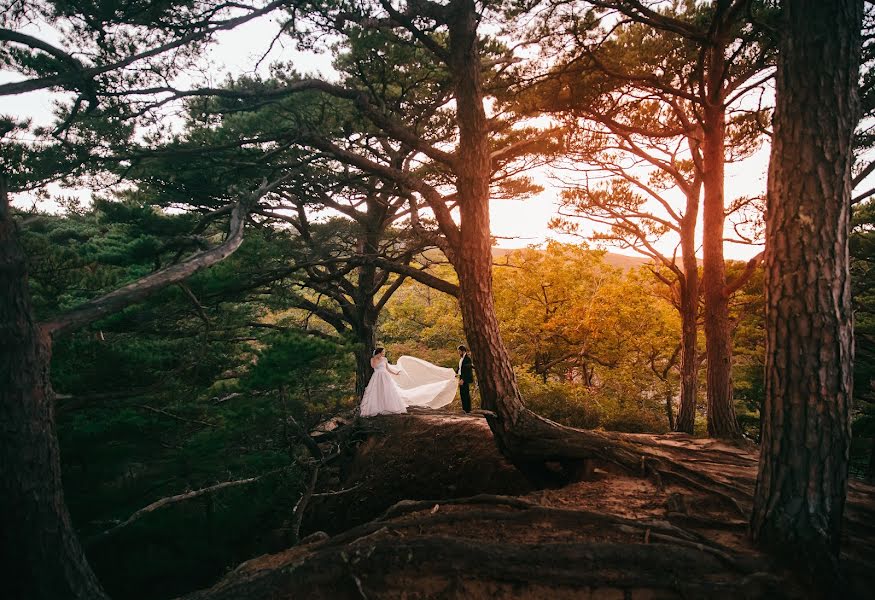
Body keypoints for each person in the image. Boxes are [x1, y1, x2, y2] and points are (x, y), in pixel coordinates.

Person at [360, 348, 458, 417]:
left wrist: (396, 372)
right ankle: (377, 408)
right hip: (377, 376)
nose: (383, 354)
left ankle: (388, 407)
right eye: (382, 352)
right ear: (379, 352)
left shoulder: (384, 359)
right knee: (377, 392)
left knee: (388, 391)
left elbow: (388, 369)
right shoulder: (373, 359)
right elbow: (373, 367)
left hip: (385, 376)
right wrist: (376, 358)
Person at [457, 345, 475, 413]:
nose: (458, 352)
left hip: (465, 378)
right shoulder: (461, 359)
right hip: (461, 376)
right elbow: (459, 368)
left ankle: (468, 409)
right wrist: (456, 374)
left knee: (466, 393)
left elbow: (467, 370)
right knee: (462, 393)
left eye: (459, 351)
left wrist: (463, 379)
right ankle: (464, 409)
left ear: (463, 351)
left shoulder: (467, 359)